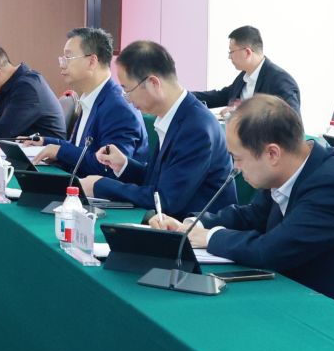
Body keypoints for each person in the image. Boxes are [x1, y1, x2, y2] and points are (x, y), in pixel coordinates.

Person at [152, 95, 334, 334]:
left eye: (238, 158)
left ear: (272, 153)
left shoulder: (333, 186)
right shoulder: (291, 169)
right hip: (322, 302)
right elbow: (252, 215)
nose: (235, 167)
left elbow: (271, 250)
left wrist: (210, 237)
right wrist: (192, 224)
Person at [82, 40, 232, 218]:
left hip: (193, 228)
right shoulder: (178, 114)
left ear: (153, 83)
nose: (127, 98)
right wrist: (124, 165)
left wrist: (100, 185)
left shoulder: (196, 127)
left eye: (128, 90)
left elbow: (165, 200)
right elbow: (160, 180)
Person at [28, 28, 144, 178]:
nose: (62, 65)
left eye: (68, 57)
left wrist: (60, 152)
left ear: (91, 61)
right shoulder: (93, 96)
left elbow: (109, 167)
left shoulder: (118, 107)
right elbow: (80, 148)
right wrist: (45, 142)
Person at [199, 26, 301, 112]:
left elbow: (292, 122)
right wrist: (189, 96)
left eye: (231, 52)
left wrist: (242, 113)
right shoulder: (243, 77)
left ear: (247, 52)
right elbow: (221, 96)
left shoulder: (280, 81)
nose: (229, 57)